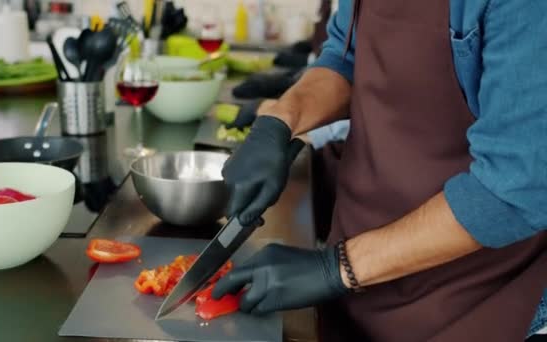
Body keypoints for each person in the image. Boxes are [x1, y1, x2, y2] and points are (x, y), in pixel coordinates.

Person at [212, 0, 547, 341]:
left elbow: (512, 189)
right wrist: (281, 120)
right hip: (357, 279)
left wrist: (337, 269)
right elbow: (346, 58)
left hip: (474, 303)